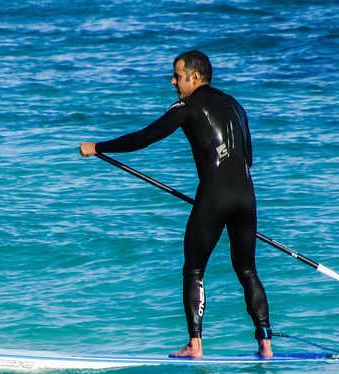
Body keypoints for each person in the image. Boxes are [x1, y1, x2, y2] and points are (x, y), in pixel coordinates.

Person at [79, 50, 272, 358]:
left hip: (215, 193)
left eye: (177, 75)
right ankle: (266, 344)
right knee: (247, 269)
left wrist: (98, 147)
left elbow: (147, 136)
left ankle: (195, 344)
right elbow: (248, 157)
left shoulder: (191, 104)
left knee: (194, 269)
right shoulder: (236, 105)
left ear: (194, 77)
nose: (173, 82)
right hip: (247, 196)